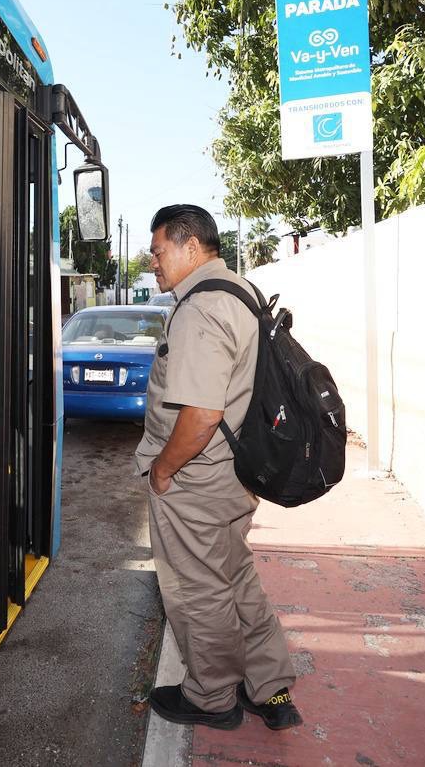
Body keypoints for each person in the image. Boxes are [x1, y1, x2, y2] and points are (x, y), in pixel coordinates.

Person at [136, 204, 302, 731]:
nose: (153, 263)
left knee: (198, 591)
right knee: (235, 578)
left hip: (197, 480)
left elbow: (202, 413)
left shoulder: (201, 308)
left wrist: (163, 470)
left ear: (189, 246)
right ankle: (269, 688)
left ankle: (211, 697)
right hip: (237, 472)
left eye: (159, 251)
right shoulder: (240, 291)